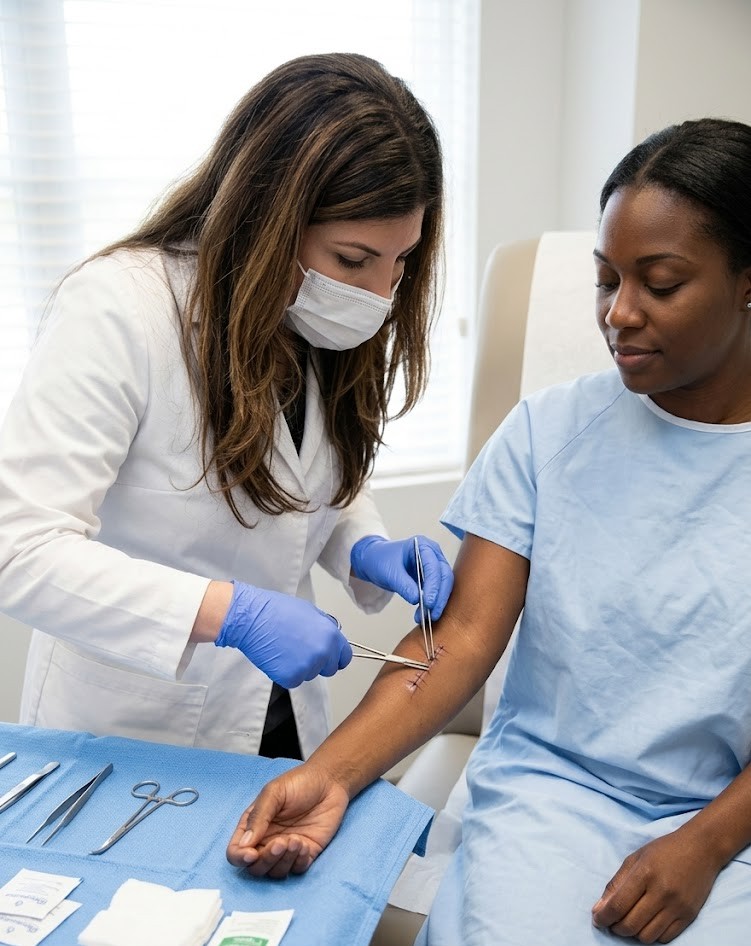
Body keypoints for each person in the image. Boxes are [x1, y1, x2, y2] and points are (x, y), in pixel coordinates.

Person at [225, 116, 751, 944]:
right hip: (552, 793)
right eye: (606, 279)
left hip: (733, 816)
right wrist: (328, 776)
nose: (618, 313)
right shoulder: (549, 432)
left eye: (659, 282)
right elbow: (460, 640)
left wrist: (707, 842)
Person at [0, 52, 454, 760]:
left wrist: (361, 545)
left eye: (400, 263)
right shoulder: (121, 309)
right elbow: (17, 548)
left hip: (275, 713)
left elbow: (303, 481)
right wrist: (229, 612)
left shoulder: (313, 314)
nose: (377, 294)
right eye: (354, 258)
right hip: (128, 725)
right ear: (267, 215)